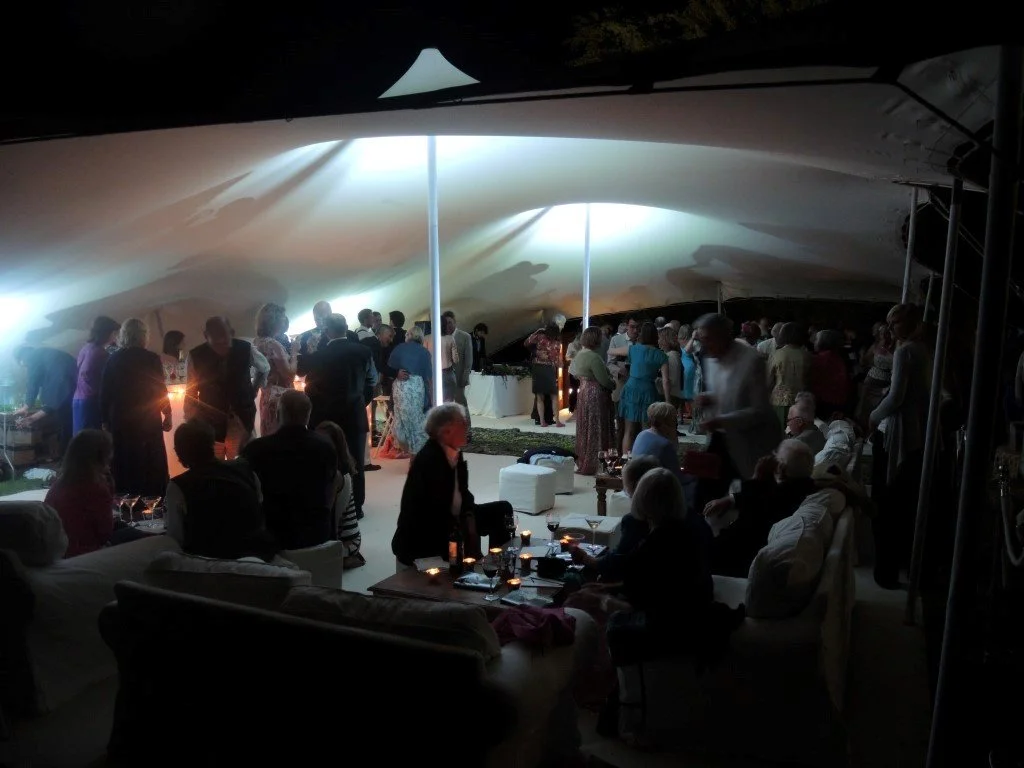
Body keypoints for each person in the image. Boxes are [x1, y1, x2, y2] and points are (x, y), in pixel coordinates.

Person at [392, 404, 514, 569]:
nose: (467, 426)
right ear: (446, 431)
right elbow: (438, 510)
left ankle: (498, 564)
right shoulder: (429, 460)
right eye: (462, 423)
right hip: (427, 530)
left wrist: (470, 515)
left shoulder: (454, 451)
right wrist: (469, 531)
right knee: (457, 535)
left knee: (502, 510)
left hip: (454, 516)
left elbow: (463, 493)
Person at [868, 303, 931, 589]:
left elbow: (896, 398)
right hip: (917, 431)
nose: (890, 328)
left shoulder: (906, 351)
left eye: (895, 323)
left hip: (899, 433)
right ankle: (904, 564)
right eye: (889, 322)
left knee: (887, 504)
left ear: (910, 323)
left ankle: (886, 572)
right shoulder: (924, 349)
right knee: (903, 503)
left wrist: (872, 416)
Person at [693, 313, 782, 509]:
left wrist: (721, 421)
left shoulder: (751, 361)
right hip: (722, 437)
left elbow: (759, 411)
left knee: (754, 498)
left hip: (752, 440)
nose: (703, 345)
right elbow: (726, 391)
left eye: (708, 339)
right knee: (703, 494)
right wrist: (709, 397)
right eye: (701, 339)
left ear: (724, 336)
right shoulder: (709, 357)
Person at [164, 419, 277, 561]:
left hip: (212, 564)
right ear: (212, 444)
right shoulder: (245, 470)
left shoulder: (178, 486)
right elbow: (260, 509)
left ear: (180, 452)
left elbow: (175, 538)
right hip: (259, 556)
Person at [298, 313, 376, 520]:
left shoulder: (320, 355)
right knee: (357, 461)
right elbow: (372, 381)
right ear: (345, 327)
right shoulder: (363, 351)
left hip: (325, 417)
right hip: (355, 413)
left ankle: (330, 504)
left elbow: (309, 385)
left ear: (327, 331)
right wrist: (361, 401)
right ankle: (357, 506)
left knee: (327, 460)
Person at [703, 439, 817, 576]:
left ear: (780, 467)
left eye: (775, 456)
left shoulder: (772, 501)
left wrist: (756, 478)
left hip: (739, 563)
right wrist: (730, 499)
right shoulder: (804, 485)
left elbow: (739, 533)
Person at [241, 390, 338, 550]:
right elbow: (330, 490)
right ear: (308, 415)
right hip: (317, 532)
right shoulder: (325, 447)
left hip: (272, 534)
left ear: (279, 414)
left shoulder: (256, 450)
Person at [101, 318, 172, 496]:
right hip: (147, 418)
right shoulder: (151, 359)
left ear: (123, 335)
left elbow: (105, 392)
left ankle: (128, 501)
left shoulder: (113, 360)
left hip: (121, 418)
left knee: (125, 460)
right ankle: (154, 500)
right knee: (150, 461)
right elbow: (159, 389)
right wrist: (167, 413)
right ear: (144, 336)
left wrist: (104, 421)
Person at [184, 316, 269, 459]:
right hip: (211, 421)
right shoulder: (195, 356)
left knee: (242, 464)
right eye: (217, 343)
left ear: (232, 332)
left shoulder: (245, 348)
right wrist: (192, 421)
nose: (222, 348)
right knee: (215, 465)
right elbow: (191, 392)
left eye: (225, 342)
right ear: (206, 336)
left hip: (241, 418)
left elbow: (264, 367)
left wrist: (253, 390)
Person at [569, 454, 660, 580]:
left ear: (634, 487)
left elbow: (616, 562)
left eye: (625, 486)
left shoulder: (636, 521)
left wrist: (585, 558)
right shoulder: (686, 515)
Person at [44, 429, 114, 557]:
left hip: (57, 550)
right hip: (85, 553)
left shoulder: (59, 484)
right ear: (102, 457)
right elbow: (105, 533)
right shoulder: (94, 488)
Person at [608, 321, 669, 454]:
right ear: (655, 336)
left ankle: (625, 463)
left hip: (631, 389)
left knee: (628, 431)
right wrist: (668, 402)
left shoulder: (633, 349)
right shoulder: (662, 356)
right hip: (649, 391)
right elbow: (665, 381)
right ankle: (646, 463)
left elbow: (611, 350)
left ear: (642, 335)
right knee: (648, 431)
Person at [314, 421, 364, 569]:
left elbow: (328, 516)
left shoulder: (337, 475)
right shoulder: (340, 469)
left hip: (347, 542)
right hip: (348, 537)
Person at [12, 345, 78, 455]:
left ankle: (64, 460)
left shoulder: (31, 357)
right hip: (75, 387)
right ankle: (67, 459)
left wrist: (27, 405)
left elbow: (33, 382)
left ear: (21, 360)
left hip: (63, 384)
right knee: (68, 426)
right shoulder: (45, 353)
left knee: (64, 428)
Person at [572, 326, 615, 475]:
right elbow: (604, 380)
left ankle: (584, 459)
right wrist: (613, 383)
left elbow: (576, 374)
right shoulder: (594, 357)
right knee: (597, 427)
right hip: (595, 393)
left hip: (583, 391)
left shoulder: (579, 355)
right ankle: (597, 461)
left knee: (585, 426)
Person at [252, 302, 297, 437]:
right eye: (282, 318)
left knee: (270, 439)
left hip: (266, 395)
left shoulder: (257, 342)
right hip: (280, 398)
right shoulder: (273, 345)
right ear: (275, 322)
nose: (284, 322)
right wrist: (294, 352)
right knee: (283, 441)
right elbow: (289, 375)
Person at [388, 324, 433, 455]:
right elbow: (428, 377)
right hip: (416, 387)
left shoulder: (398, 348)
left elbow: (390, 368)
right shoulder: (424, 352)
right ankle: (416, 453)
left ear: (409, 335)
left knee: (400, 418)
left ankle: (407, 448)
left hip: (400, 385)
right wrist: (431, 397)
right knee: (416, 420)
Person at [72, 315, 121, 434]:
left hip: (79, 399)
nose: (115, 338)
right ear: (108, 333)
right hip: (91, 402)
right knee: (93, 441)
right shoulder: (100, 353)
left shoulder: (86, 348)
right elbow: (89, 374)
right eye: (115, 334)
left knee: (82, 439)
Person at [767, 322, 813, 426]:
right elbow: (810, 380)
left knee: (780, 432)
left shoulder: (776, 354)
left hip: (779, 400)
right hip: (801, 400)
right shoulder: (807, 356)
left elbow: (769, 380)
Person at [630, 402, 686, 485]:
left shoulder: (642, 434)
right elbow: (676, 477)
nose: (676, 424)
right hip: (654, 489)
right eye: (674, 421)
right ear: (665, 424)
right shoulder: (665, 445)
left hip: (636, 484)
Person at [525, 322, 563, 428]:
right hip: (546, 368)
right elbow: (555, 359)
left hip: (540, 368)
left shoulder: (542, 337)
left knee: (541, 396)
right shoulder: (554, 342)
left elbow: (526, 342)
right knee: (552, 396)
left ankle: (543, 421)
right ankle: (556, 421)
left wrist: (537, 331)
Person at [442, 310, 474, 432]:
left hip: (459, 376)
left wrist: (465, 377)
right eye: (446, 323)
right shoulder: (442, 337)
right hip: (445, 376)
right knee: (446, 404)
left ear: (455, 322)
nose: (448, 325)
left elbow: (468, 359)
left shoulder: (464, 336)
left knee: (461, 403)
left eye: (450, 322)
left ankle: (467, 429)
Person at [811, 329, 850, 421]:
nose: (814, 342)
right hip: (839, 401)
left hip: (825, 401)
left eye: (816, 340)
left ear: (823, 342)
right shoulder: (838, 357)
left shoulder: (821, 359)